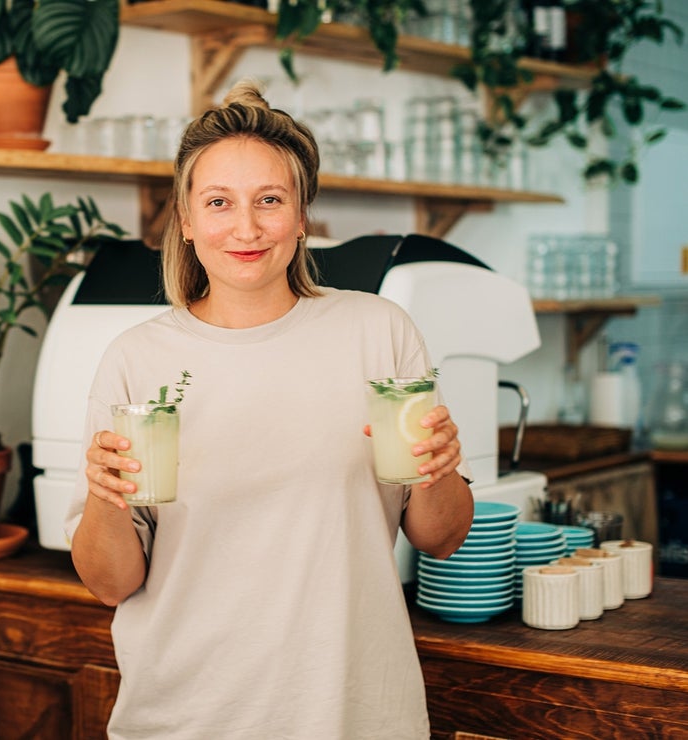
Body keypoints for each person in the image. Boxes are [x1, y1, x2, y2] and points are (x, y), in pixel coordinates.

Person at [65, 79, 474, 739]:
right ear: (187, 219)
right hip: (184, 717)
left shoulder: (378, 331)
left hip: (355, 714)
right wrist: (104, 499)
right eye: (219, 202)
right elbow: (111, 583)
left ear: (301, 214)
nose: (246, 228)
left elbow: (440, 536)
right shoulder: (137, 358)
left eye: (269, 201)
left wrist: (438, 468)